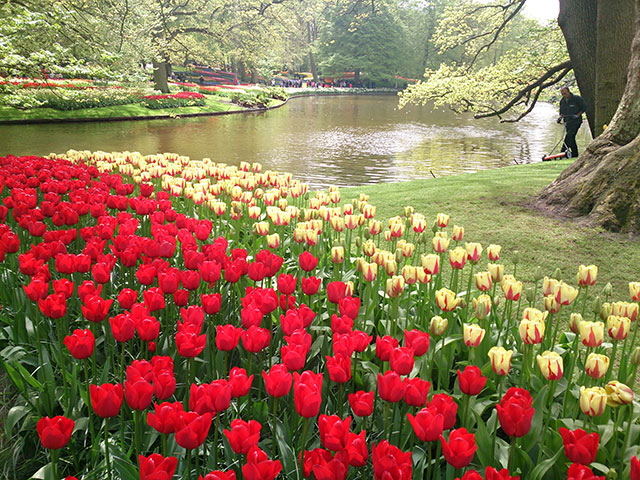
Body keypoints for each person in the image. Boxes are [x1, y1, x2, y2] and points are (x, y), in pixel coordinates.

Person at [558, 86, 587, 158]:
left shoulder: (576, 99)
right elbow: (562, 112)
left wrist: (577, 115)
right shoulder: (562, 101)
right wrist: (560, 118)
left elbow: (584, 108)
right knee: (571, 138)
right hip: (567, 122)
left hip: (576, 122)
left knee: (569, 135)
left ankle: (562, 152)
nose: (564, 95)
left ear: (568, 91)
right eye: (562, 94)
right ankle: (575, 154)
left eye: (565, 93)